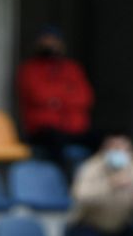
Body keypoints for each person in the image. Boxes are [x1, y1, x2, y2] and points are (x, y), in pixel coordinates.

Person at [16, 26, 95, 162]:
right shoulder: (29, 69)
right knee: (55, 142)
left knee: (103, 139)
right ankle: (64, 179)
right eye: (46, 41)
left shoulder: (72, 68)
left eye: (54, 41)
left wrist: (57, 100)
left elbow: (85, 98)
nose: (50, 45)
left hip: (74, 128)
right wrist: (67, 93)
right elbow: (39, 96)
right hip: (43, 130)